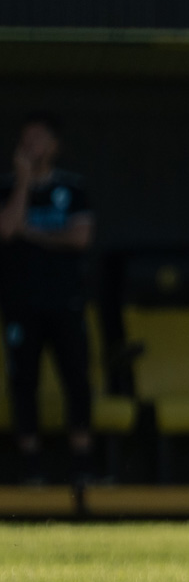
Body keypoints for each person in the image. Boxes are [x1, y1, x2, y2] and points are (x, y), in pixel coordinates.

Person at [0, 113, 96, 486]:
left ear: (54, 145)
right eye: (25, 138)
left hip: (65, 302)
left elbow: (80, 238)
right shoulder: (7, 186)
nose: (30, 145)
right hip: (20, 304)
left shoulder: (73, 188)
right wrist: (23, 183)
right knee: (24, 382)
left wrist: (33, 233)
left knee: (76, 379)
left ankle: (82, 466)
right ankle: (32, 468)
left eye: (38, 138)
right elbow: (7, 230)